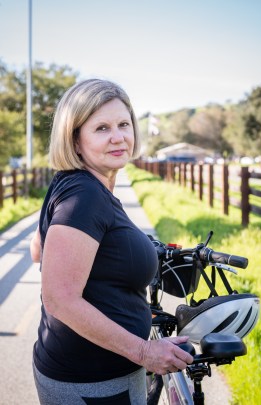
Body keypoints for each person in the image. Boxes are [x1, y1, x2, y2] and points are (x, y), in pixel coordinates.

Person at [30, 78, 193, 405]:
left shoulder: (76, 184)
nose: (118, 136)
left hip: (92, 372)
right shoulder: (84, 196)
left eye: (123, 124)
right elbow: (59, 298)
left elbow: (39, 250)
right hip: (92, 382)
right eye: (101, 128)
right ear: (75, 140)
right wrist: (145, 352)